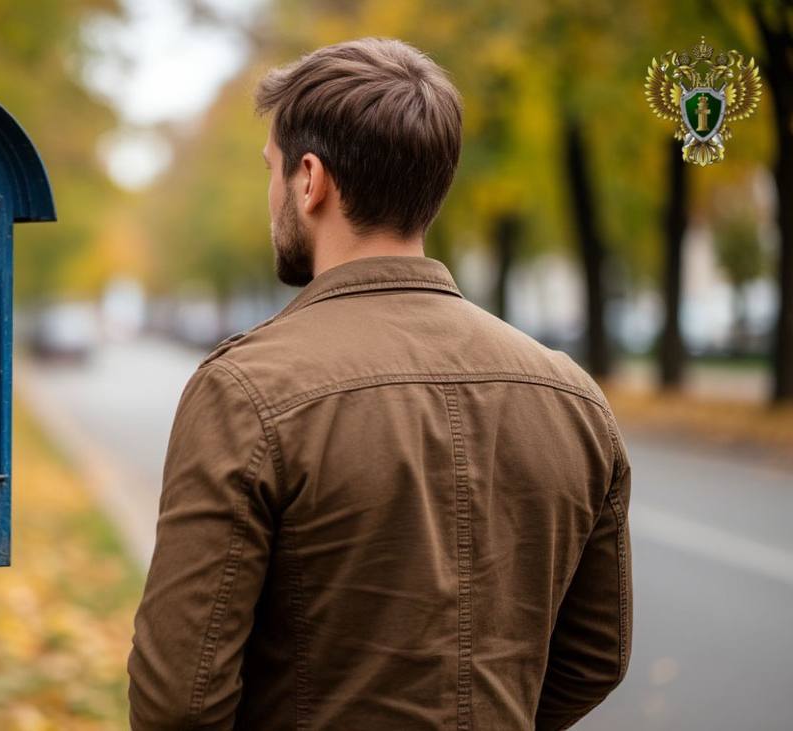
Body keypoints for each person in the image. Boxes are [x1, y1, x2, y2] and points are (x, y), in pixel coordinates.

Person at [127, 38, 632, 730]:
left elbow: (176, 706)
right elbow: (595, 659)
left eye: (271, 170)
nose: (270, 192)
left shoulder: (245, 390)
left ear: (311, 180)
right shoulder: (574, 398)